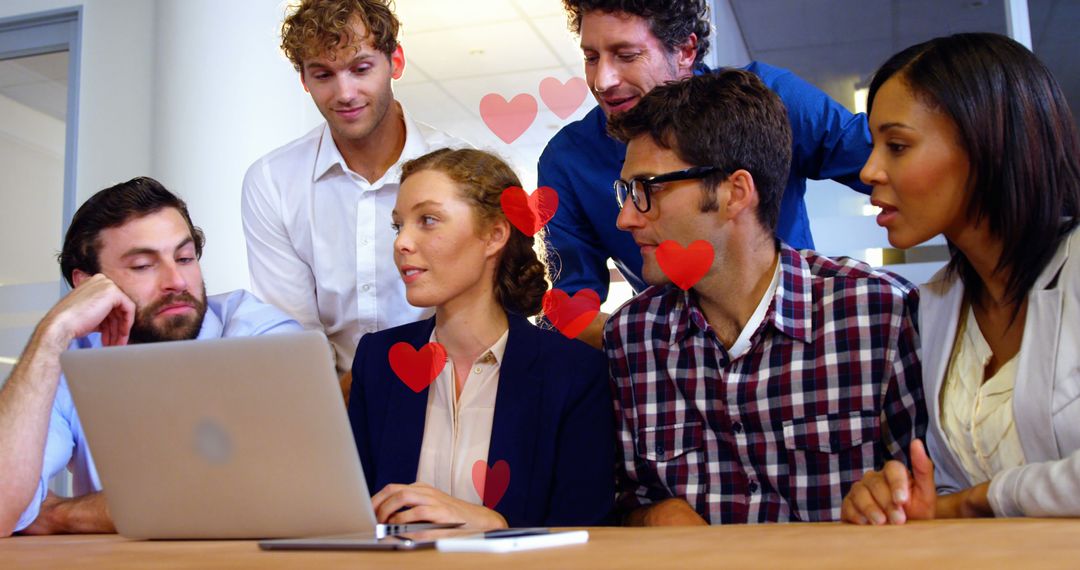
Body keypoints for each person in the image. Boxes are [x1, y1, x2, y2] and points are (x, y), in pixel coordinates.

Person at [603, 70, 926, 525]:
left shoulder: (880, 315)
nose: (625, 219)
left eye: (648, 190)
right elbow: (621, 498)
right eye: (627, 192)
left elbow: (937, 494)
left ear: (735, 193)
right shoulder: (632, 339)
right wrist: (653, 516)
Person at [841, 33, 1080, 525]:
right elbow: (953, 485)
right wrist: (908, 500)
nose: (869, 170)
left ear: (987, 142)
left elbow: (972, 499)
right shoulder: (936, 305)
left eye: (898, 145)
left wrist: (979, 500)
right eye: (874, 147)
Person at [539, 0, 873, 347]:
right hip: (676, 358)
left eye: (626, 55)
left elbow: (888, 167)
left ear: (685, 50)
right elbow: (569, 307)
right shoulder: (569, 159)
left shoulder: (765, 100)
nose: (602, 81)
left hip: (800, 329)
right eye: (591, 58)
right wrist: (653, 353)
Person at [0, 178, 301, 537]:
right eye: (143, 265)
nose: (177, 280)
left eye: (185, 258)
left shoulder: (263, 336)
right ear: (87, 285)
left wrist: (59, 514)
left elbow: (260, 498)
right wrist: (54, 332)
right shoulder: (68, 362)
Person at [347, 148, 614, 528]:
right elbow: (354, 517)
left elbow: (589, 537)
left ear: (494, 236)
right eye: (398, 225)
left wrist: (495, 527)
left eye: (427, 220)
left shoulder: (573, 374)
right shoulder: (377, 360)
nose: (401, 242)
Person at [242, 0, 462, 384]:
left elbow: (471, 312)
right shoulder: (272, 181)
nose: (345, 93)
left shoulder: (459, 168)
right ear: (304, 80)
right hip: (330, 404)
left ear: (395, 61)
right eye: (323, 74)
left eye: (360, 69)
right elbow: (295, 338)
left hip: (447, 393)